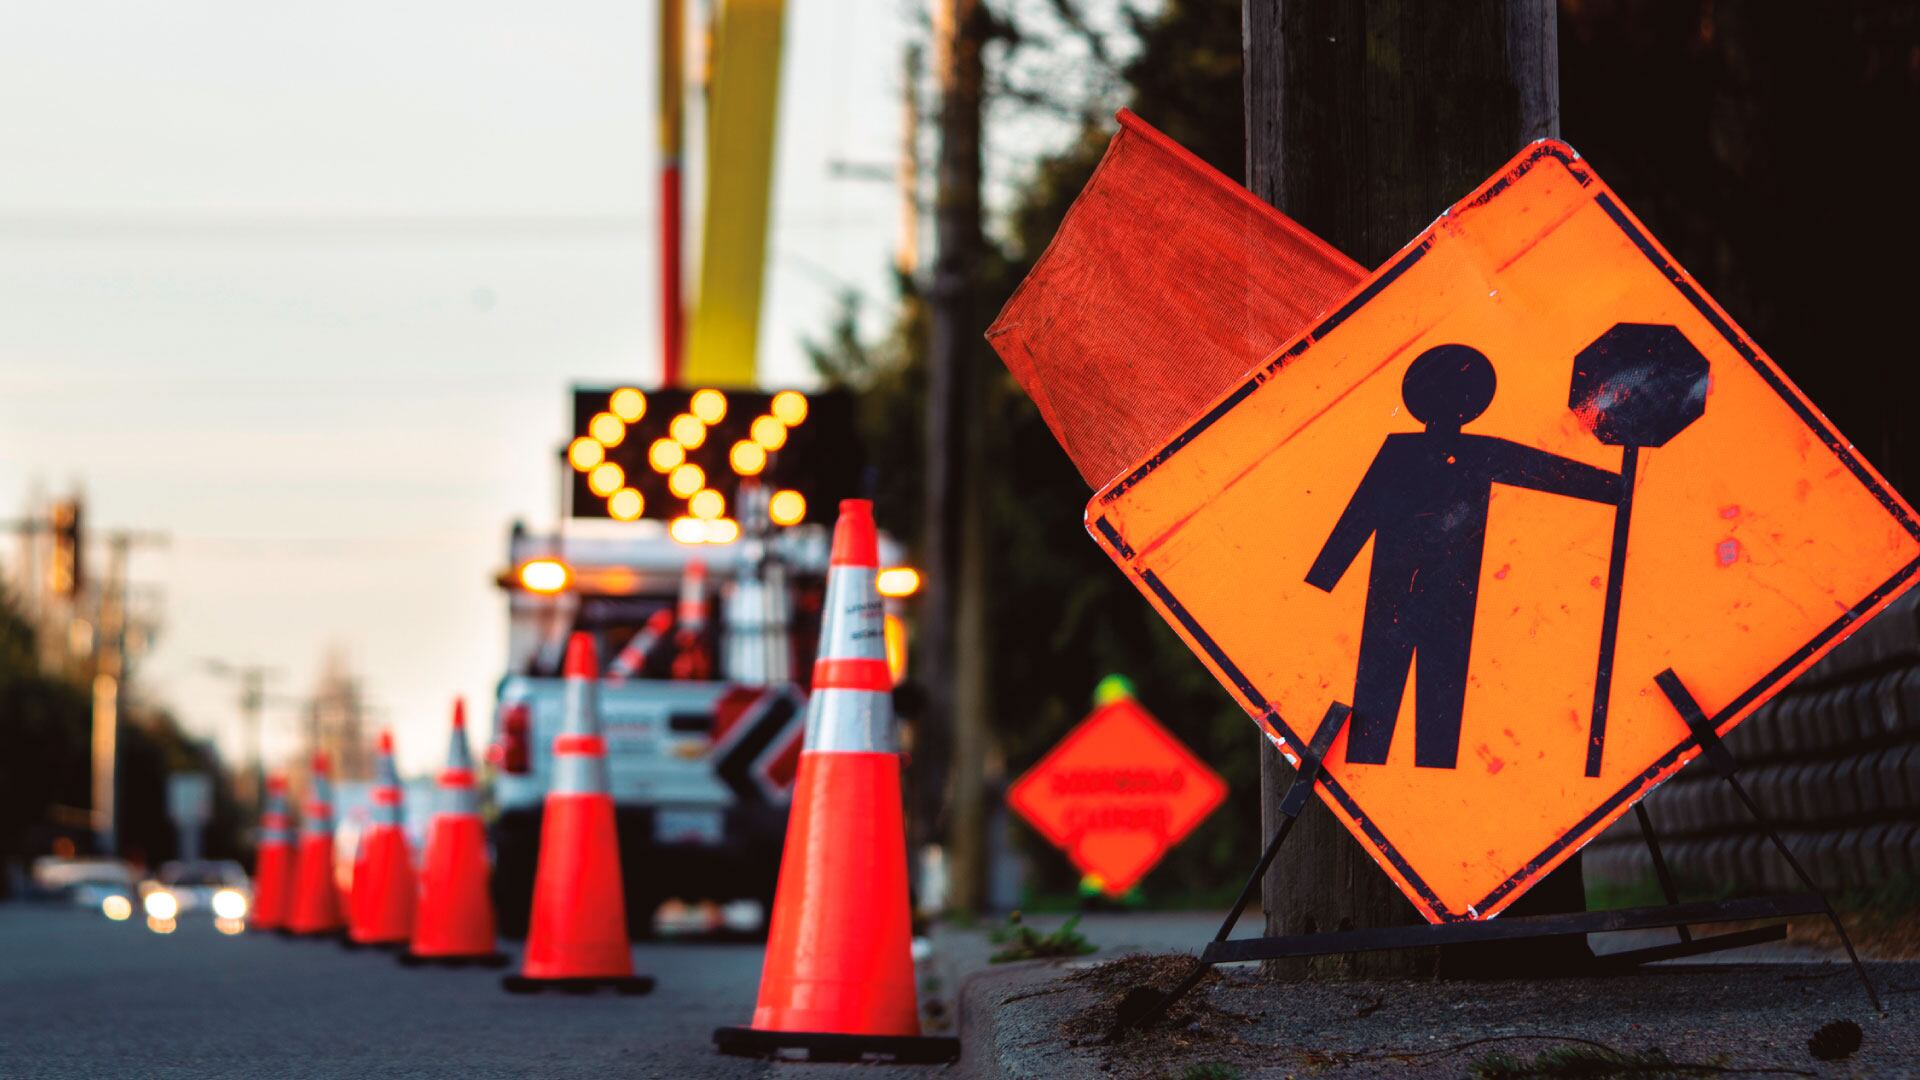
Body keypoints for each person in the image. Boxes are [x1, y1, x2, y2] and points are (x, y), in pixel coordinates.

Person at [1306, 344, 1619, 768]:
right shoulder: (1406, 451)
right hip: (1398, 590)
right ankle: (1375, 767)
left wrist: (1616, 489)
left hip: (1448, 593)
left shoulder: (1471, 451)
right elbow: (1359, 515)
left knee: (1439, 698)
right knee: (1380, 700)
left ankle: (1428, 773)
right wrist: (1322, 578)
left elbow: (1544, 470)